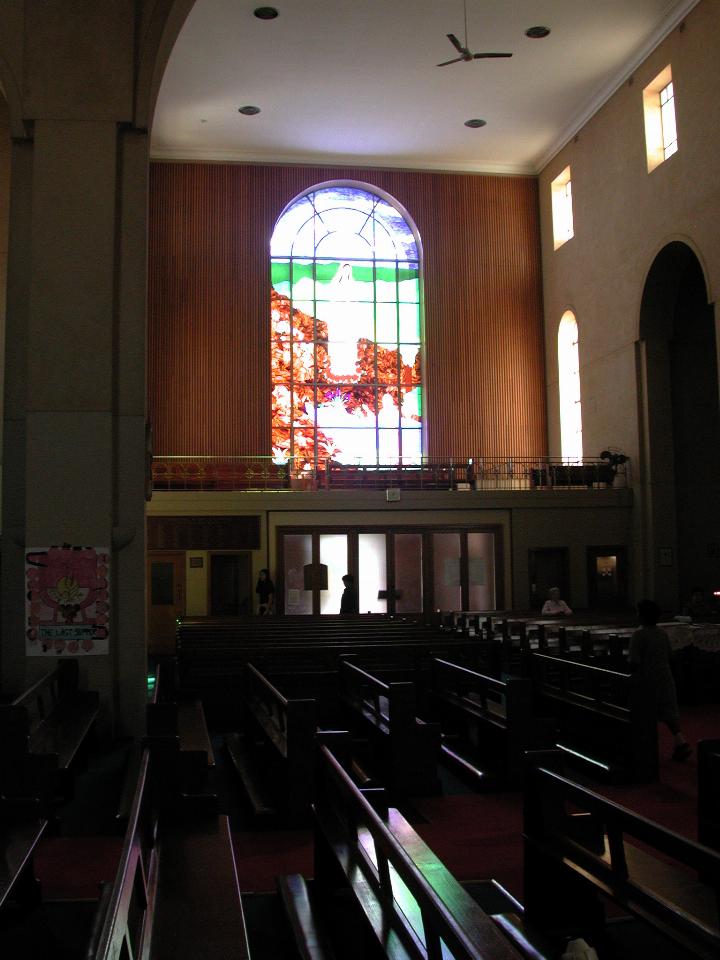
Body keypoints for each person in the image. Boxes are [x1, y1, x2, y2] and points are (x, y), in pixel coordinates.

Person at [628, 599, 691, 761]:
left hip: (647, 678)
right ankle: (680, 740)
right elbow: (670, 655)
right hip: (664, 675)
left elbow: (634, 661)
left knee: (646, 713)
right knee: (668, 710)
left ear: (641, 616)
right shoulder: (661, 633)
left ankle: (646, 750)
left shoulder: (639, 634)